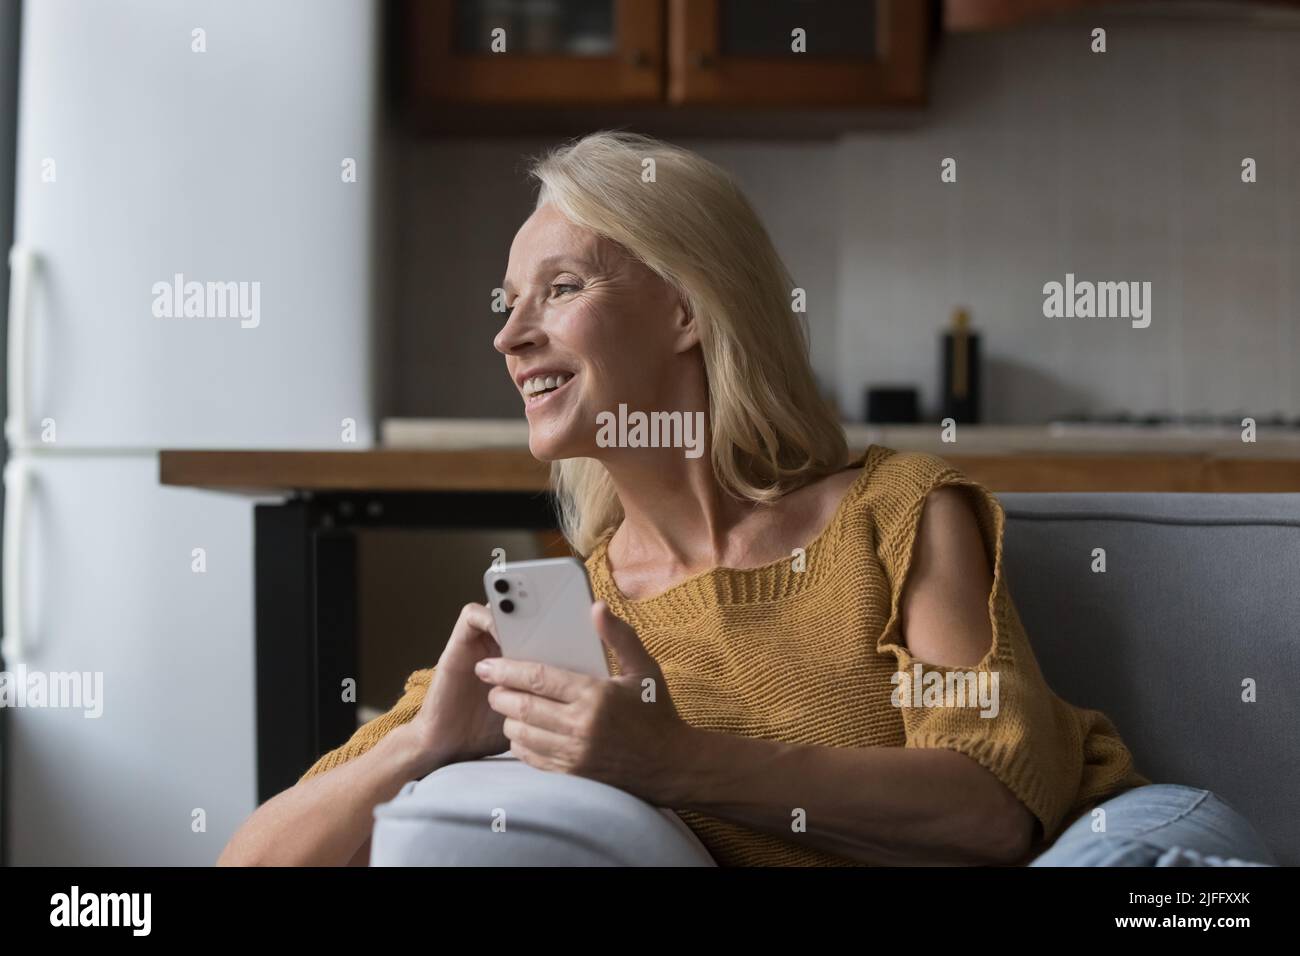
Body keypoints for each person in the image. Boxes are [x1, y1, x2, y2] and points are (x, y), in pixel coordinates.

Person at [218, 131, 1273, 867]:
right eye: (507, 306)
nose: (510, 335)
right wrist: (423, 742)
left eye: (561, 288)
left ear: (686, 308)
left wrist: (675, 759)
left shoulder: (895, 511)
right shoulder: (566, 619)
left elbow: (992, 809)